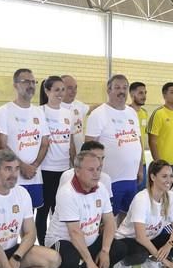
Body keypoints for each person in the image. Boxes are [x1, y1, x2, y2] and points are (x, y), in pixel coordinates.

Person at [45, 151, 127, 268]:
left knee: (119, 248)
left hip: (89, 239)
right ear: (77, 171)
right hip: (63, 240)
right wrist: (90, 261)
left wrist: (105, 251)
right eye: (91, 170)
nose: (96, 174)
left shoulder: (101, 188)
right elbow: (74, 233)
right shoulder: (67, 193)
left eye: (98, 169)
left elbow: (109, 221)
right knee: (71, 259)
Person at [114, 159, 173, 268]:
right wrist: (166, 261)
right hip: (128, 239)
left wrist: (169, 245)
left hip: (151, 237)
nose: (169, 180)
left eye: (171, 176)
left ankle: (152, 261)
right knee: (140, 254)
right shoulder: (142, 199)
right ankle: (125, 263)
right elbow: (140, 237)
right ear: (152, 177)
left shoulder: (171, 197)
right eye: (164, 176)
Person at [85, 74, 143, 219]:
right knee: (107, 218)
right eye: (117, 87)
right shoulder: (98, 114)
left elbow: (138, 141)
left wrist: (140, 166)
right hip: (109, 179)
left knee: (128, 215)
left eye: (124, 87)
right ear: (108, 90)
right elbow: (88, 148)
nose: (121, 91)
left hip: (131, 177)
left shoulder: (132, 113)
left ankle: (121, 241)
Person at [0, 68, 50, 209]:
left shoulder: (39, 112)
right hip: (12, 177)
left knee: (29, 216)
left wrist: (34, 166)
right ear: (15, 85)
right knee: (11, 217)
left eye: (33, 82)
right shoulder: (4, 111)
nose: (31, 85)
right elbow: (2, 144)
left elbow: (44, 143)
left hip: (34, 176)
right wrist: (22, 166)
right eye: (26, 81)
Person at [36, 76, 75, 246]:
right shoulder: (39, 112)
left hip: (64, 169)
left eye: (63, 89)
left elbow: (70, 142)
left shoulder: (68, 113)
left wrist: (74, 164)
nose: (61, 93)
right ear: (47, 91)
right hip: (45, 169)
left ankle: (58, 244)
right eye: (56, 89)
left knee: (59, 210)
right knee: (43, 210)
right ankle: (43, 246)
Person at [61, 75, 90, 151]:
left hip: (78, 154)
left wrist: (109, 104)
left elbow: (91, 109)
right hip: (61, 157)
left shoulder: (78, 105)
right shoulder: (55, 107)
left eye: (75, 87)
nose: (74, 91)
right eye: (70, 88)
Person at [129, 82, 148, 190]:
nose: (144, 96)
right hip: (130, 162)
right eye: (140, 93)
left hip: (143, 162)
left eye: (145, 93)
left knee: (141, 194)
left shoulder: (144, 113)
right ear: (132, 95)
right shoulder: (125, 112)